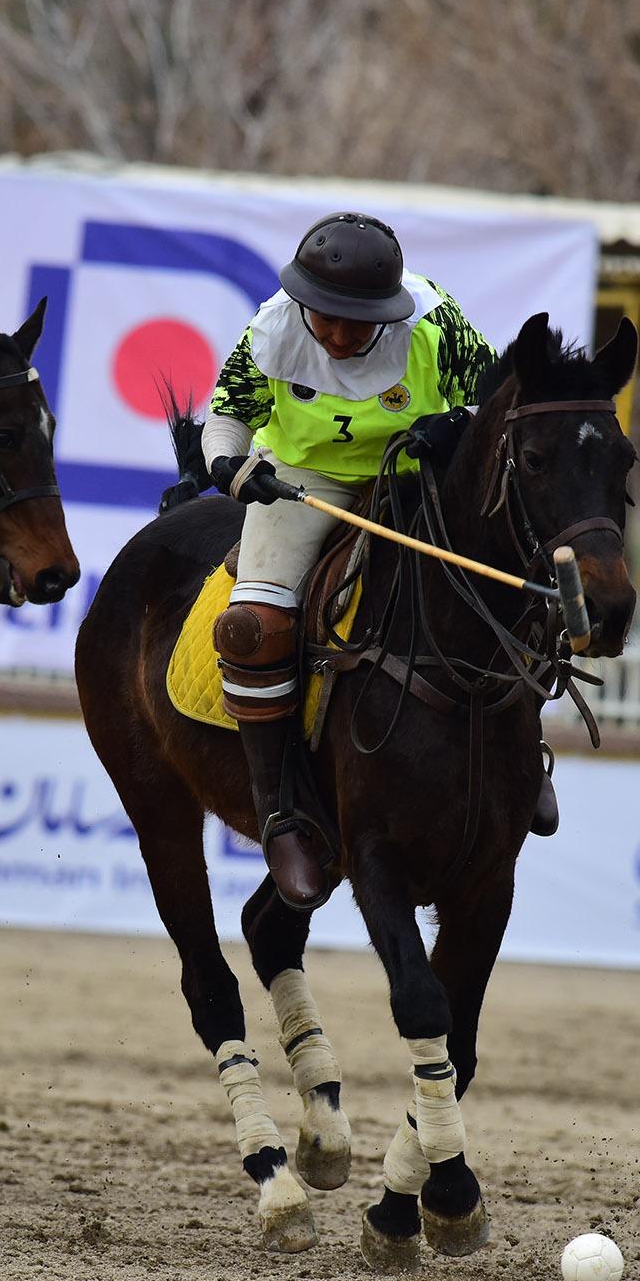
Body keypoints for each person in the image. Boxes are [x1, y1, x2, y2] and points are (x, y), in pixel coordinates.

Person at [202, 211, 558, 911]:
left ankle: (527, 756)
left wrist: (452, 426)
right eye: (326, 317)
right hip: (307, 479)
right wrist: (231, 468)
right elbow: (228, 413)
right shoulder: (271, 329)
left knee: (513, 591)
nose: (338, 335)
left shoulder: (434, 323)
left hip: (418, 476)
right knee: (252, 627)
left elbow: (494, 400)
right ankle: (281, 816)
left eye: (357, 322)